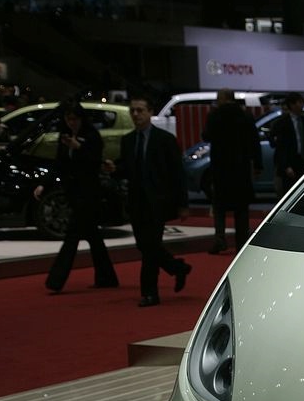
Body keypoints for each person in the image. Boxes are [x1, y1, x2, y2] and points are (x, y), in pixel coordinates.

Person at [108, 94, 191, 307]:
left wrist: (183, 204)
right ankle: (177, 268)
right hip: (136, 202)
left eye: (140, 110)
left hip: (158, 202)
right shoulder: (128, 140)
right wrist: (115, 169)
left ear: (150, 112)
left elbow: (178, 173)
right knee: (144, 245)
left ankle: (150, 293)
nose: (136, 114)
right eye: (133, 111)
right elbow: (127, 168)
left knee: (150, 247)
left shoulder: (165, 140)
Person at [34, 102, 119, 292]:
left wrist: (79, 147)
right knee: (93, 237)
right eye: (68, 119)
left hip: (88, 193)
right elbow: (59, 163)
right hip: (73, 192)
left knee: (72, 237)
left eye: (75, 119)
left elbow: (95, 161)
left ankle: (56, 280)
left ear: (81, 119)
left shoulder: (92, 136)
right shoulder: (64, 136)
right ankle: (107, 277)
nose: (71, 122)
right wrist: (43, 184)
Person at [202, 88, 260, 253]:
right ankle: (241, 242)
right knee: (241, 209)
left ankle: (220, 240)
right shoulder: (245, 116)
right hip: (241, 168)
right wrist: (257, 164)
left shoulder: (214, 115)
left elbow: (206, 136)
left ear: (222, 98)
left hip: (221, 167)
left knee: (219, 206)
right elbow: (254, 142)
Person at [270, 92, 304, 197]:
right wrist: (286, 166)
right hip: (290, 163)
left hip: (303, 162)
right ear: (292, 105)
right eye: (299, 103)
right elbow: (281, 147)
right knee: (289, 192)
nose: (302, 105)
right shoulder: (283, 123)